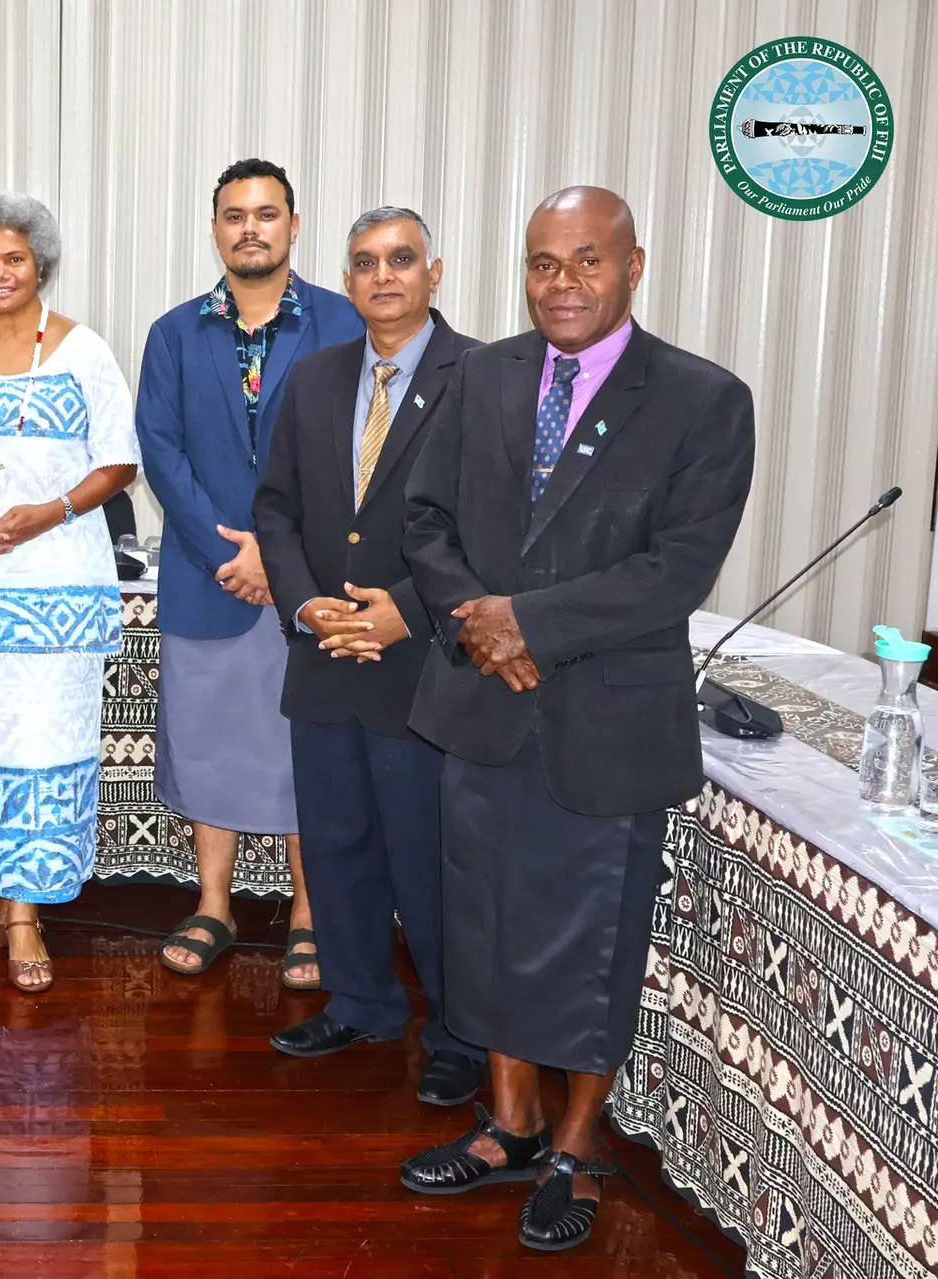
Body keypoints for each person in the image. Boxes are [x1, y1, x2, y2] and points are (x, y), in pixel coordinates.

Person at [398, 186, 755, 1251]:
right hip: (482, 707)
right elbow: (427, 519)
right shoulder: (481, 375)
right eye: (544, 264)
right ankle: (507, 1125)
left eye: (587, 262)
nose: (564, 284)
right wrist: (476, 622)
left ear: (634, 266)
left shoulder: (703, 398)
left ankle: (578, 1144)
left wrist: (528, 625)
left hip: (606, 721)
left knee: (592, 943)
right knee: (486, 927)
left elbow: (677, 569)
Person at [252, 207, 484, 1107]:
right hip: (324, 658)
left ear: (435, 271)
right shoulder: (312, 378)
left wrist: (413, 613)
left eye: (400, 260)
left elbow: (497, 529)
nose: (382, 276)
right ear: (344, 280)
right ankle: (362, 1001)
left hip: (422, 670)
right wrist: (306, 601)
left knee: (430, 864)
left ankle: (459, 1032)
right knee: (340, 845)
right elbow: (275, 507)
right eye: (363, 263)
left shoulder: (485, 377)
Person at [134, 158, 362, 987]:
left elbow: (355, 449)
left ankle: (309, 911)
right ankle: (214, 903)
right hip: (211, 577)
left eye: (267, 213)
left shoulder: (343, 324)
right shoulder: (174, 332)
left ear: (295, 227)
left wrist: (279, 551)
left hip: (314, 581)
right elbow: (160, 451)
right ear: (216, 228)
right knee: (212, 745)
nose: (251, 228)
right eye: (234, 214)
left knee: (308, 749)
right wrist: (229, 551)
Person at [0, 192, 141, 992]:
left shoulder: (85, 353)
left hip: (57, 588)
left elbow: (118, 460)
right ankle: (5, 898)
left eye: (13, 258)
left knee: (43, 747)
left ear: (39, 263)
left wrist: (51, 511)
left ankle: (27, 915)